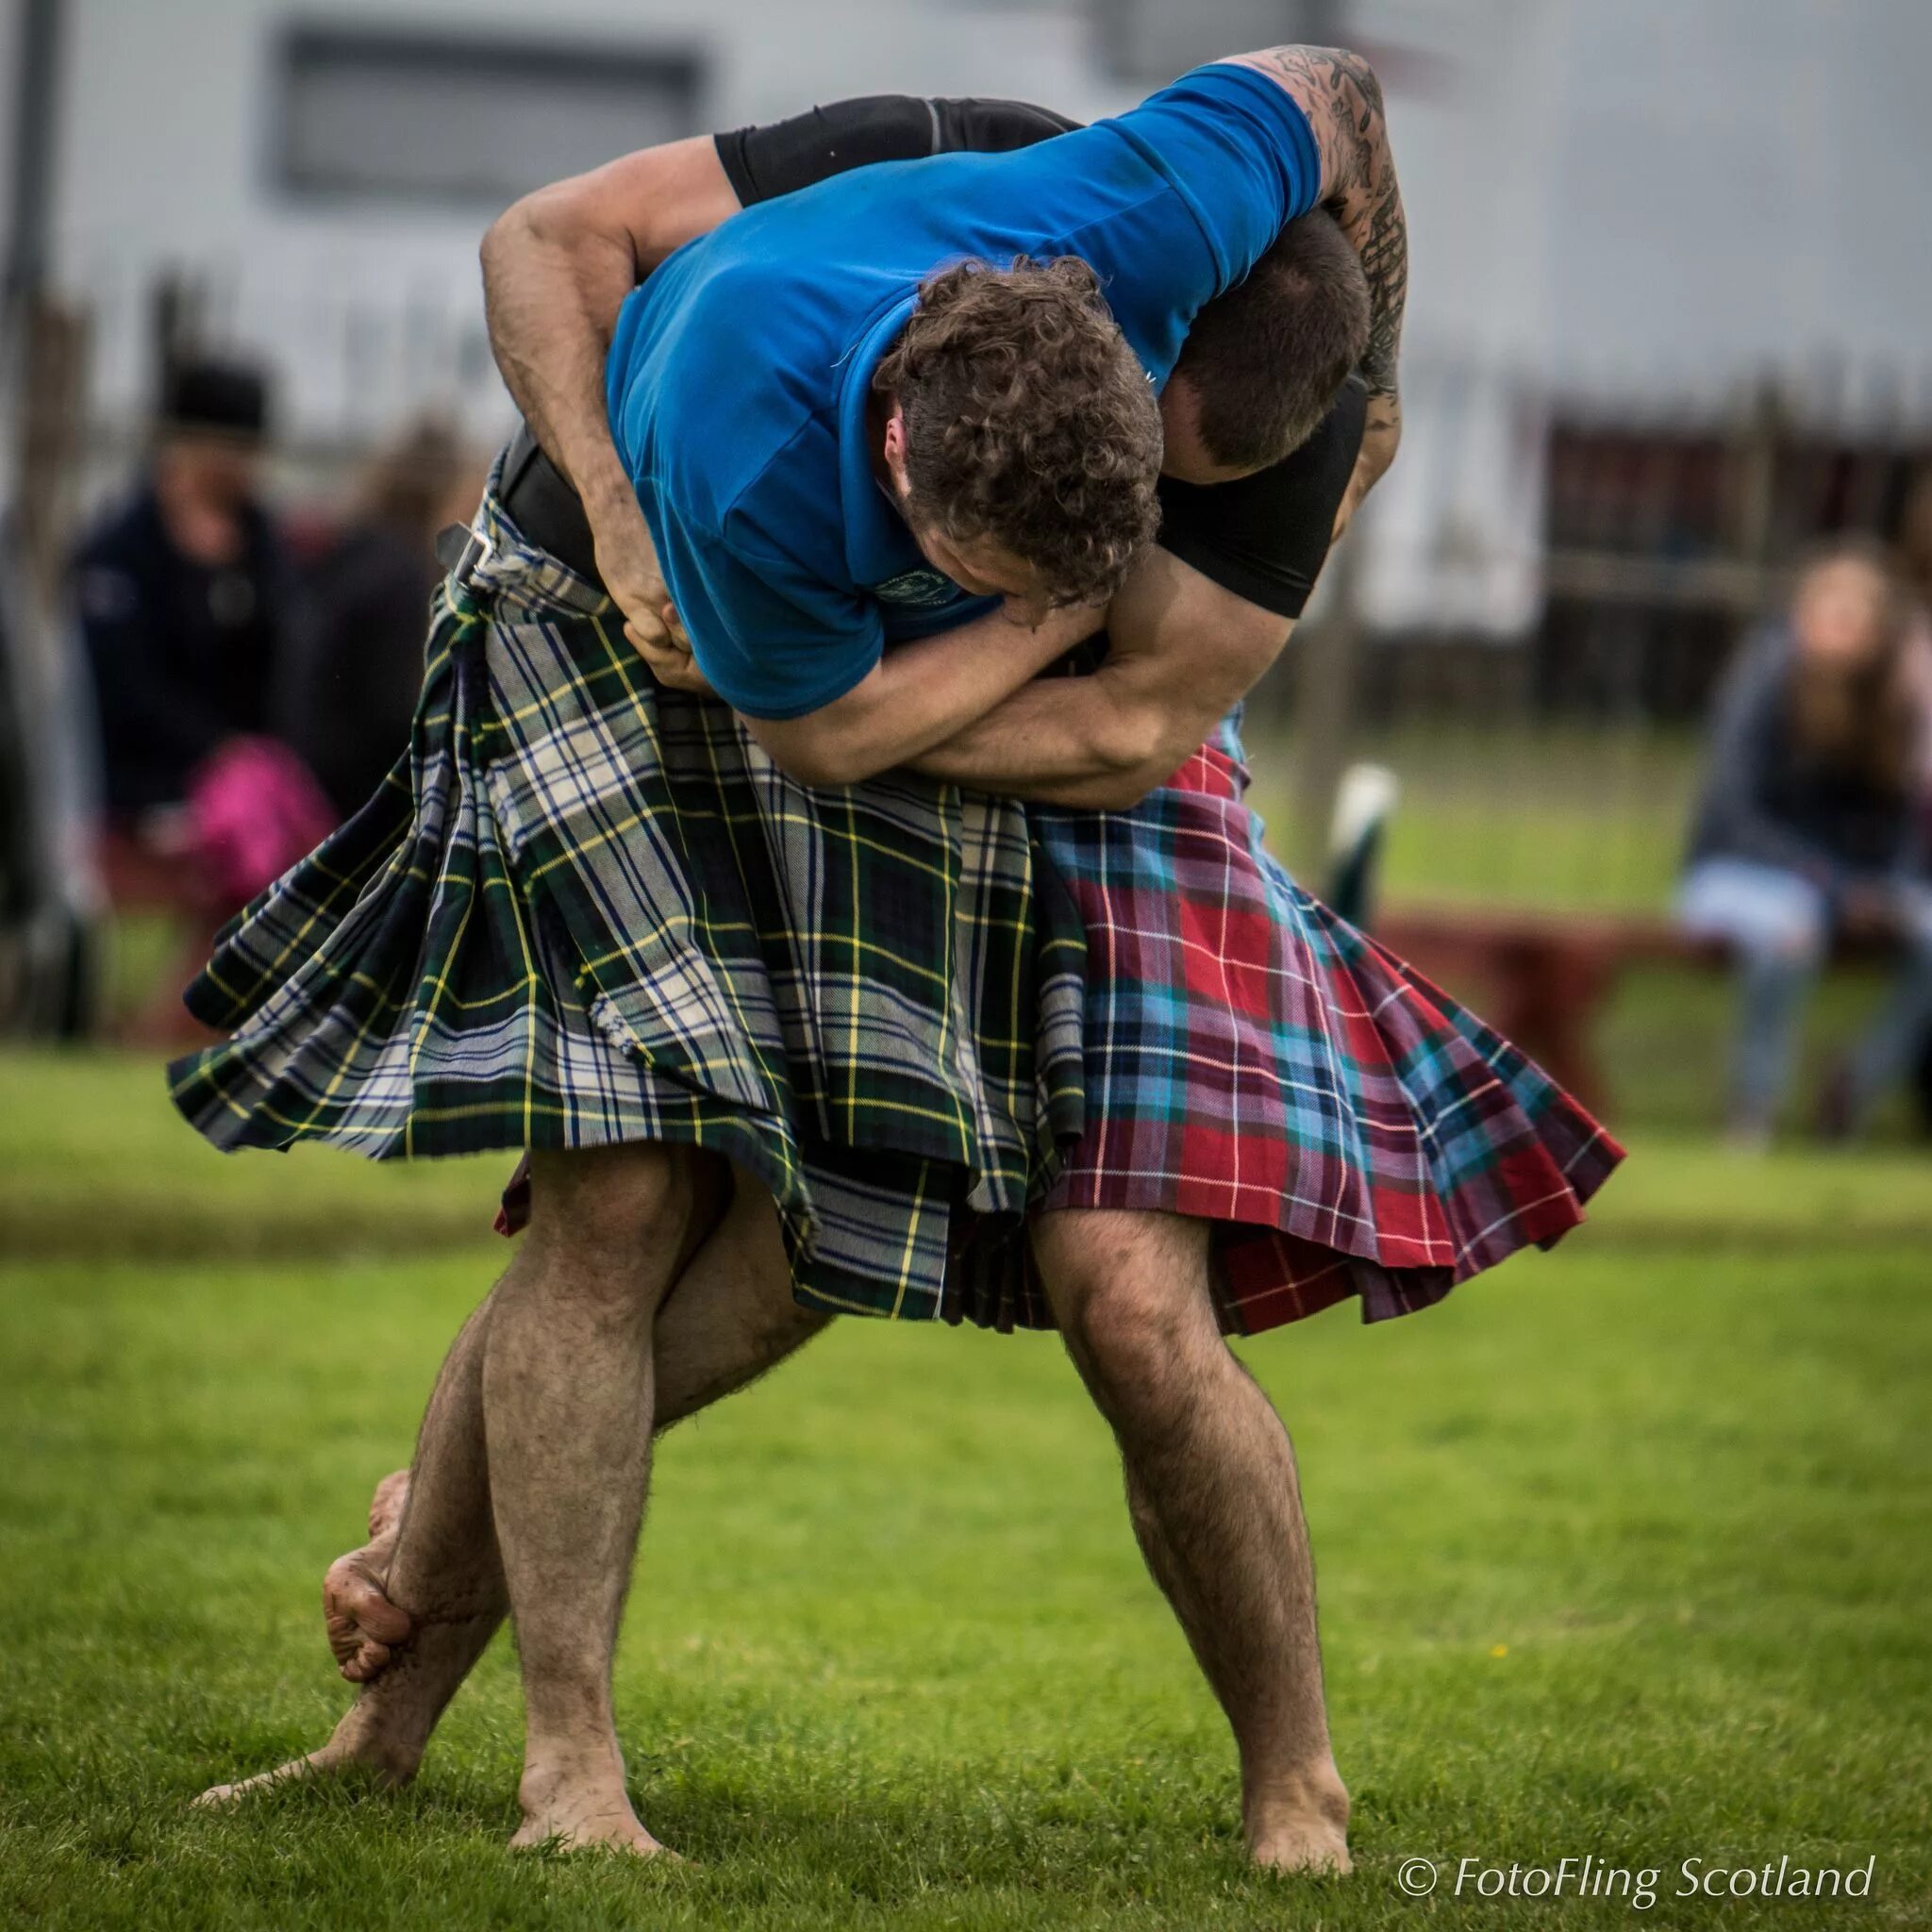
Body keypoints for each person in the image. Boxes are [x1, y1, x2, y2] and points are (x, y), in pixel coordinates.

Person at [193, 70, 1615, 1874]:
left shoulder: (1263, 384)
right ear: (1110, 337)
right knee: (623, 1197)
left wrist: (1382, 375)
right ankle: (484, 1742)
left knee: (904, 1248)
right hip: (641, 606)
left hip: (989, 729)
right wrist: (643, 536)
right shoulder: (795, 389)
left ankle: (1295, 1789)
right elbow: (804, 701)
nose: (1165, 531)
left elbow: (1129, 722)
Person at [1678, 539, 1932, 1144]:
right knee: (1789, 932)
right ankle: (1753, 1109)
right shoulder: (1765, 683)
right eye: (1827, 614)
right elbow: (1730, 813)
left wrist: (1883, 886)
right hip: (1743, 872)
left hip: (1847, 884)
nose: (1836, 632)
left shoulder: (1886, 704)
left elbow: (1897, 820)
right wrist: (1827, 881)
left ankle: (1854, 1088)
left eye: (1855, 620)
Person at [278, 416, 489, 819]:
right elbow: (399, 715)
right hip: (355, 799)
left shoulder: (361, 551)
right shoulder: (399, 578)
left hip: (317, 783)